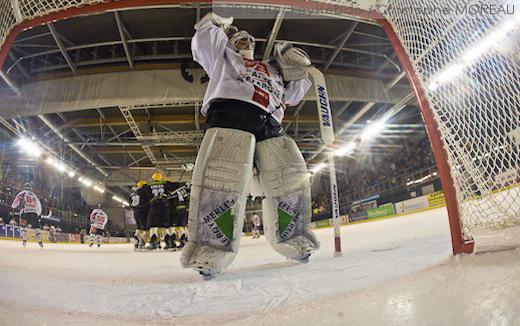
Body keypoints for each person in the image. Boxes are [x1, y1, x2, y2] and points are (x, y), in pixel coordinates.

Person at [181, 13, 319, 278]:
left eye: (248, 40)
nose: (245, 42)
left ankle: (293, 237)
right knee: (221, 182)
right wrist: (215, 23)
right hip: (230, 116)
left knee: (289, 179)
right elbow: (203, 42)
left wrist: (294, 65)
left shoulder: (273, 70)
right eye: (239, 39)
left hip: (270, 123)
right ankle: (210, 250)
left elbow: (295, 93)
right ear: (230, 43)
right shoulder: (223, 59)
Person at [147, 172, 175, 250]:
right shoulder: (165, 184)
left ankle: (153, 244)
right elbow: (174, 186)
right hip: (164, 206)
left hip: (154, 206)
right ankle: (169, 243)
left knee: (153, 226)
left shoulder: (149, 185)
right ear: (160, 178)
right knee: (164, 227)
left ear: (153, 178)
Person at [11, 183, 43, 247]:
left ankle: (24, 238)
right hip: (33, 212)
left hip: (24, 211)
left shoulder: (22, 193)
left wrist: (13, 206)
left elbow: (16, 201)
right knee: (37, 227)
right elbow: (38, 204)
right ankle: (39, 240)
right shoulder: (34, 195)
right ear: (30, 188)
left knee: (22, 227)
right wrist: (38, 212)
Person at [130, 181, 151, 250]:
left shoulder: (134, 193)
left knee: (139, 228)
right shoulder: (143, 192)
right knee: (146, 229)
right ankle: (142, 243)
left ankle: (136, 243)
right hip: (142, 212)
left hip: (135, 212)